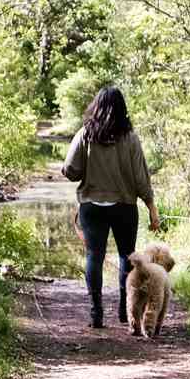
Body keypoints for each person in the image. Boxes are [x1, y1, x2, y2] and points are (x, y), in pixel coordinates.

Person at [61, 86, 160, 328]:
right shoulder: (131, 138)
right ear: (122, 109)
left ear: (96, 106)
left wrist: (86, 169)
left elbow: (70, 170)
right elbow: (140, 178)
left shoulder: (85, 134)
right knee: (128, 256)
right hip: (124, 206)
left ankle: (96, 312)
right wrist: (151, 207)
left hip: (92, 206)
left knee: (94, 256)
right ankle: (126, 311)